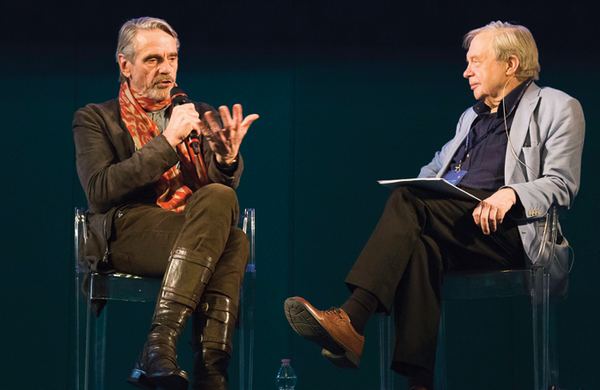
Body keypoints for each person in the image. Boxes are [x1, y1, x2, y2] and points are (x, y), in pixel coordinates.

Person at [284, 21, 585, 389]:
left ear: (510, 64)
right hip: (459, 227)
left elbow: (562, 183)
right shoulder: (470, 118)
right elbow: (434, 170)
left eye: (476, 61)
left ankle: (351, 320)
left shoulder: (558, 106)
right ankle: (419, 383)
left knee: (409, 203)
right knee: (420, 248)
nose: (466, 71)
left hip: (512, 232)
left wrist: (513, 194)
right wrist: (424, 184)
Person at [73, 17, 258, 390]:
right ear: (125, 65)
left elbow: (218, 189)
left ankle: (179, 356)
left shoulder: (195, 112)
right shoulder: (95, 118)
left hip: (191, 229)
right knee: (232, 240)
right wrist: (167, 142)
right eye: (153, 59)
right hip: (125, 232)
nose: (166, 69)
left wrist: (225, 161)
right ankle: (205, 372)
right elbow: (99, 190)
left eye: (171, 58)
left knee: (227, 216)